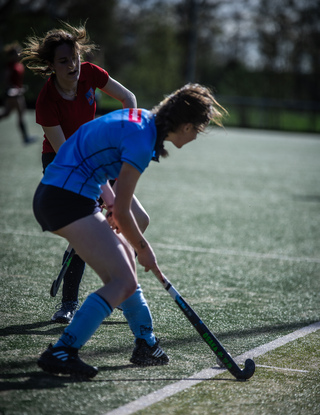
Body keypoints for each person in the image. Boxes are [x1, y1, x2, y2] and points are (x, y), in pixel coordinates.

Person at [33, 83, 226, 378]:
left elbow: (97, 167)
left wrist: (112, 210)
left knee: (125, 269)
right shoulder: (142, 139)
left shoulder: (141, 123)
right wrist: (146, 251)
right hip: (66, 198)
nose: (197, 135)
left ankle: (145, 344)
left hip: (70, 193)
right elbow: (124, 213)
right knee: (122, 278)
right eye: (198, 130)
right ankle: (62, 350)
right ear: (186, 126)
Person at [21, 22, 150, 331]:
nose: (73, 65)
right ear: (51, 66)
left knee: (139, 220)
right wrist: (103, 192)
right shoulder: (46, 101)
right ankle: (69, 303)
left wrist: (126, 134)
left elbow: (129, 98)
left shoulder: (91, 74)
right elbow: (68, 155)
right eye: (63, 61)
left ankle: (119, 281)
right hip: (62, 165)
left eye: (74, 57)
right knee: (89, 228)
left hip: (98, 157)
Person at [0, 42, 36, 144]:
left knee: (7, 113)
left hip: (18, 92)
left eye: (18, 52)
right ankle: (26, 138)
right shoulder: (10, 66)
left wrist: (20, 88)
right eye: (16, 53)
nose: (18, 54)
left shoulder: (18, 65)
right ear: (11, 55)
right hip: (12, 94)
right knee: (21, 112)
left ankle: (26, 137)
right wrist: (12, 90)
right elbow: (6, 80)